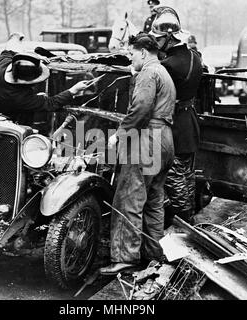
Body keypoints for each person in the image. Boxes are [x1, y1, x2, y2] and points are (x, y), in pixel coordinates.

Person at [100, 33, 175, 275]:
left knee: (128, 199)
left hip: (147, 138)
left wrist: (119, 134)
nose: (131, 59)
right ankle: (154, 253)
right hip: (165, 139)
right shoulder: (163, 73)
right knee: (153, 200)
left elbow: (141, 108)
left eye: (132, 54)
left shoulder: (148, 73)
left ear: (143, 52)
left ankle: (125, 258)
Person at [150, 6, 203, 223]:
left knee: (174, 178)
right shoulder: (194, 57)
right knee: (187, 176)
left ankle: (184, 224)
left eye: (158, 39)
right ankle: (190, 217)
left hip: (175, 126)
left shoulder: (167, 65)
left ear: (168, 38)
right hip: (190, 121)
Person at [0, 33, 90, 127]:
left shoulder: (4, 64)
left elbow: (11, 46)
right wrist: (73, 90)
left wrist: (17, 37)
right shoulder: (19, 97)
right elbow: (51, 103)